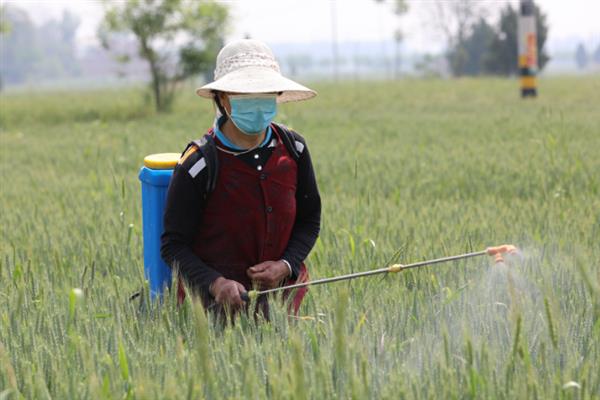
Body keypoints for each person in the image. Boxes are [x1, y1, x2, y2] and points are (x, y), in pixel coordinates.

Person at [160, 39, 321, 317]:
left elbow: (309, 220)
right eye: (246, 94)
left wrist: (286, 265)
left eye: (265, 93)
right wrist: (215, 283)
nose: (257, 104)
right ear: (222, 98)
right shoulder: (199, 164)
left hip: (286, 306)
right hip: (216, 311)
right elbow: (174, 245)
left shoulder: (294, 149)